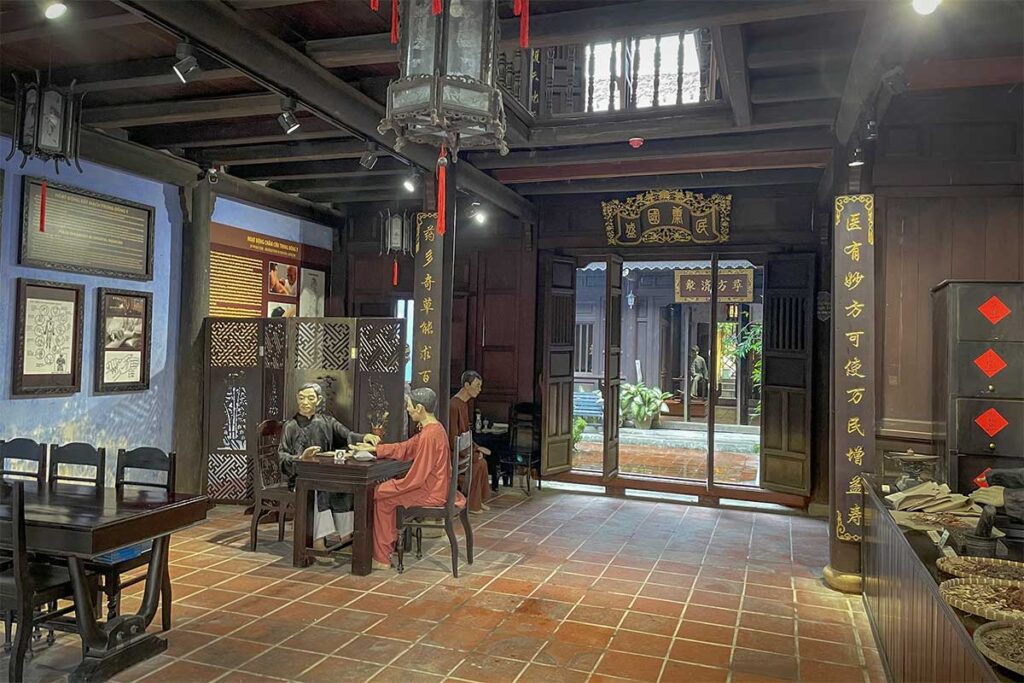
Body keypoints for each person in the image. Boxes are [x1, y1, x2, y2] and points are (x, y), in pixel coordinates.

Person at [278, 383, 380, 551]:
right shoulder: (290, 426)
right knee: (318, 491)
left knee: (343, 489)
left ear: (318, 400)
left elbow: (347, 435)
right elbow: (282, 456)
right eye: (302, 398)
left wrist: (365, 437)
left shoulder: (327, 421)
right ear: (297, 399)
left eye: (310, 398)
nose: (305, 402)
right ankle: (318, 541)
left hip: (326, 475)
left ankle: (346, 537)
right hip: (301, 478)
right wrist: (301, 458)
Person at [370, 388, 460, 569]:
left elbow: (416, 479)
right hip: (437, 487)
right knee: (385, 490)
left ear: (419, 408)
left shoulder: (429, 435)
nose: (408, 410)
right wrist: (376, 449)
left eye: (409, 407)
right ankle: (388, 545)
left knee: (381, 494)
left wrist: (395, 485)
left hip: (431, 492)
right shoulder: (435, 428)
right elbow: (407, 447)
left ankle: (382, 556)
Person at [449, 370, 491, 514]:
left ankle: (478, 501)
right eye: (477, 385)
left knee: (483, 462)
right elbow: (453, 438)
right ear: (466, 385)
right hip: (455, 452)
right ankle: (472, 505)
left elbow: (466, 433)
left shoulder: (464, 404)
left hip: (464, 448)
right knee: (478, 463)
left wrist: (476, 448)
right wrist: (472, 453)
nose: (479, 389)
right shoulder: (453, 406)